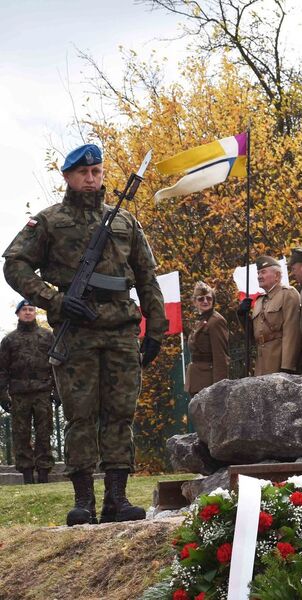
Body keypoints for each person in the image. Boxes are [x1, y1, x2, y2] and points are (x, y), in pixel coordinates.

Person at [3, 143, 166, 525]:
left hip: (121, 329)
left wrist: (156, 328)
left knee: (120, 414)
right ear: (68, 176)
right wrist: (55, 300)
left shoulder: (125, 221)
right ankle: (83, 502)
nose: (91, 179)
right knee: (80, 415)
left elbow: (147, 277)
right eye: (83, 173)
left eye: (96, 172)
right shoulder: (49, 221)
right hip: (76, 331)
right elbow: (14, 264)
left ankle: (117, 500)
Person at [0, 300, 56, 484]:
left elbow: (56, 366)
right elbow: (2, 370)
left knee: (44, 432)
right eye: (24, 309)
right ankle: (27, 474)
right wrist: (3, 395)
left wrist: (58, 391)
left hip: (43, 391)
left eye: (31, 309)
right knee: (21, 434)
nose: (28, 312)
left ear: (34, 312)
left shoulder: (47, 336)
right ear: (18, 313)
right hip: (19, 393)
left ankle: (44, 472)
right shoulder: (9, 340)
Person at [237, 256, 302, 375]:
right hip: (261, 363)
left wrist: (287, 366)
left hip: (279, 360)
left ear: (277, 275)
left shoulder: (288, 294)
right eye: (258, 273)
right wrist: (243, 316)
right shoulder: (259, 300)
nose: (259, 276)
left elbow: (292, 331)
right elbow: (254, 336)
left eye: (263, 272)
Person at [185, 282, 230, 396]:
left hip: (208, 382)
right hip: (197, 380)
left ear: (213, 300)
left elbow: (220, 356)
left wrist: (219, 388)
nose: (205, 301)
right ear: (195, 302)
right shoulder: (200, 320)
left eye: (209, 298)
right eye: (201, 299)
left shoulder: (216, 321)